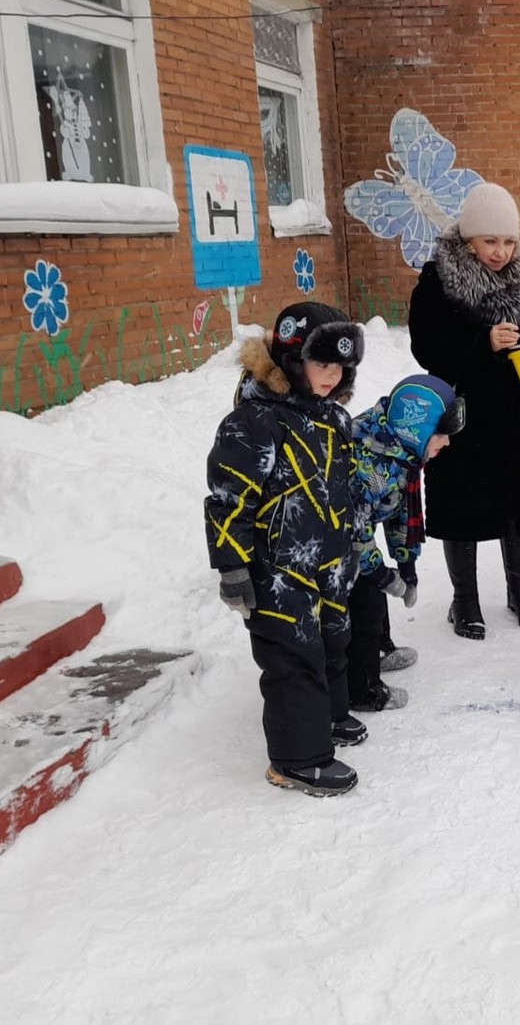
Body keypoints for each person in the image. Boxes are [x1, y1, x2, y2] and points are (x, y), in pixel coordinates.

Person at [204, 301, 367, 797]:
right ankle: (298, 759)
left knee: (333, 640)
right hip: (277, 569)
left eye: (341, 366)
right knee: (293, 657)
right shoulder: (254, 423)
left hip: (329, 559)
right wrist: (232, 567)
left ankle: (329, 718)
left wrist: (357, 536)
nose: (331, 376)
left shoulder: (333, 417)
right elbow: (229, 498)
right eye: (321, 364)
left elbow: (349, 482)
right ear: (292, 362)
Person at [408, 182, 520, 639]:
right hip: (462, 416)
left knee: (517, 506)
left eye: (508, 241)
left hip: (512, 414)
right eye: (490, 241)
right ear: (468, 237)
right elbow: (425, 346)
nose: (500, 251)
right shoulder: (438, 280)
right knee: (462, 508)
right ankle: (464, 601)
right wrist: (483, 343)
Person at [346, 373, 465, 713]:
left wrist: (405, 565)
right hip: (335, 550)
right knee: (364, 604)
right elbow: (354, 535)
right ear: (417, 427)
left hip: (354, 541)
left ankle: (380, 651)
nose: (446, 443)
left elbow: (401, 510)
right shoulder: (368, 462)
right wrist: (382, 576)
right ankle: (363, 689)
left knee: (373, 597)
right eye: (441, 435)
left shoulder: (400, 452)